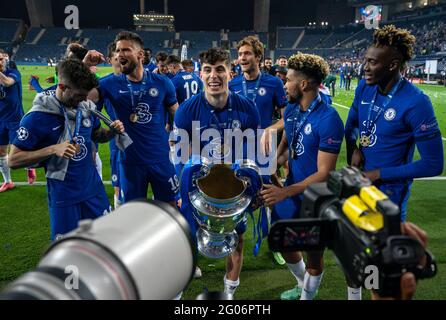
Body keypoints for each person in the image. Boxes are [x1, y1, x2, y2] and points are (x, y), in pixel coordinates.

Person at [345, 25, 443, 299]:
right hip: (358, 191)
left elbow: (434, 164)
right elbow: (352, 125)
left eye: (372, 62)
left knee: (382, 282)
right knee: (355, 259)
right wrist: (355, 150)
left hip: (387, 202)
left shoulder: (416, 102)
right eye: (365, 60)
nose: (364, 67)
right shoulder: (365, 87)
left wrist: (379, 173)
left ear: (393, 65)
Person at [173, 48, 261, 296]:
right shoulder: (186, 111)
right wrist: (183, 190)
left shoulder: (248, 109)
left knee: (236, 241)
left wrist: (254, 188)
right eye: (208, 70)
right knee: (186, 241)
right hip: (199, 191)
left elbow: (252, 154)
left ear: (230, 73)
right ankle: (178, 291)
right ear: (201, 74)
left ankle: (229, 294)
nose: (214, 75)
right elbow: (181, 157)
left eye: (220, 69)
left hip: (233, 193)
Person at [8, 59, 125, 240]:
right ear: (62, 86)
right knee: (68, 254)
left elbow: (98, 135)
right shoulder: (36, 118)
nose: (83, 100)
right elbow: (13, 160)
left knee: (104, 244)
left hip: (94, 191)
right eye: (79, 96)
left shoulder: (85, 108)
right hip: (64, 197)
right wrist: (52, 149)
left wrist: (112, 132)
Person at [261, 52, 344, 300]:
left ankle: (307, 297)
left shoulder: (329, 119)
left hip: (317, 197)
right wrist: (272, 164)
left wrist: (284, 191)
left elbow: (324, 172)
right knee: (281, 239)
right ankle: (301, 282)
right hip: (292, 190)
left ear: (304, 84)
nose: (284, 85)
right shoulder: (292, 111)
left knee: (313, 254)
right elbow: (287, 147)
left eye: (288, 80)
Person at [86, 31, 180, 207]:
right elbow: (81, 101)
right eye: (118, 50)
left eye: (126, 50)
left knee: (170, 209)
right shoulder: (108, 84)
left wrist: (174, 136)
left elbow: (177, 114)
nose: (120, 54)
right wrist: (105, 133)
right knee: (134, 214)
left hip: (161, 158)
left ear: (140, 54)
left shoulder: (162, 82)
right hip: (130, 162)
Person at [0, 49, 29, 192]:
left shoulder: (13, 73)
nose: (1, 61)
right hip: (0, 119)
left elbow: (6, 83)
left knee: (16, 154)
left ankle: (30, 167)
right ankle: (8, 181)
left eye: (1, 59)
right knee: (1, 153)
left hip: (14, 118)